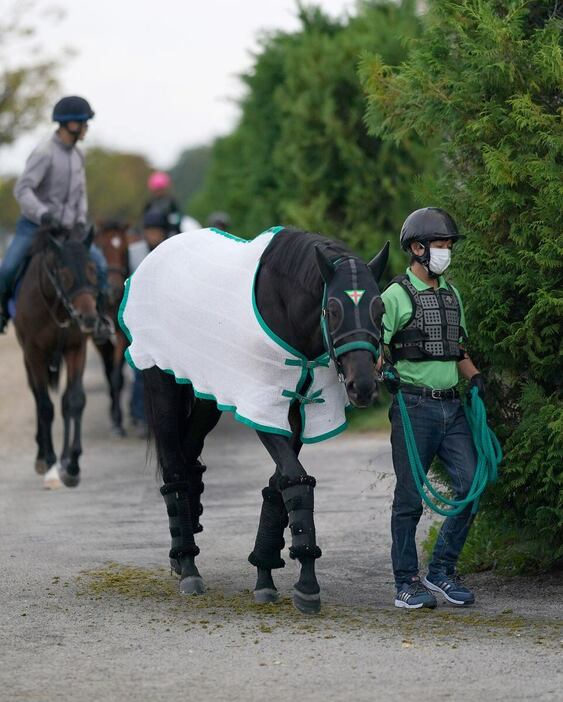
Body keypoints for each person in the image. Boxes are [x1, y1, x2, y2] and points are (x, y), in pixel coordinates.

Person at [381, 207, 486, 610]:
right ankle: (405, 582)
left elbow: (454, 348)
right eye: (441, 246)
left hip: (452, 408)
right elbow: (375, 346)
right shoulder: (395, 295)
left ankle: (441, 570)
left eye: (447, 246)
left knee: (471, 486)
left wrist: (474, 376)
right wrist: (384, 371)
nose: (446, 252)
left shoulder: (451, 293)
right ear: (418, 248)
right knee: (409, 499)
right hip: (414, 408)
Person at [0, 95, 108, 334]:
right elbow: (22, 189)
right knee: (7, 268)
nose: (87, 128)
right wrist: (43, 214)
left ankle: (99, 319)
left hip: (70, 230)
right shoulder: (44, 152)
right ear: (71, 124)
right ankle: (3, 313)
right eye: (84, 123)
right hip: (37, 226)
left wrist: (80, 220)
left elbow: (81, 194)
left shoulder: (78, 155)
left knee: (99, 265)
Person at [128, 208, 170, 436]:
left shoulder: (171, 250)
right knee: (140, 370)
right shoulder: (134, 253)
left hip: (166, 320)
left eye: (156, 231)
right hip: (141, 319)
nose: (153, 235)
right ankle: (141, 416)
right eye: (149, 231)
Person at [143, 171, 182, 238]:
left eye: (160, 189)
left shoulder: (171, 203)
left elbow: (176, 219)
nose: (158, 192)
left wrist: (173, 230)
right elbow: (144, 219)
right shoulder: (149, 203)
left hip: (168, 232)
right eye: (156, 190)